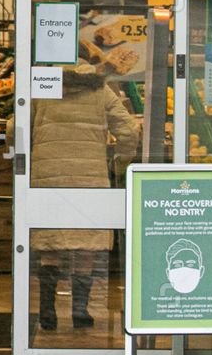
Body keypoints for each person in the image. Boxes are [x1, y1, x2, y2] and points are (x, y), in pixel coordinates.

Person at [28, 63, 140, 330]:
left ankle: (47, 310)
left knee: (51, 244)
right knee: (85, 244)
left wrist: (20, 155)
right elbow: (128, 130)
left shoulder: (44, 86)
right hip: (89, 177)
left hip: (49, 174)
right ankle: (80, 310)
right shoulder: (101, 89)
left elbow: (13, 127)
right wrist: (120, 163)